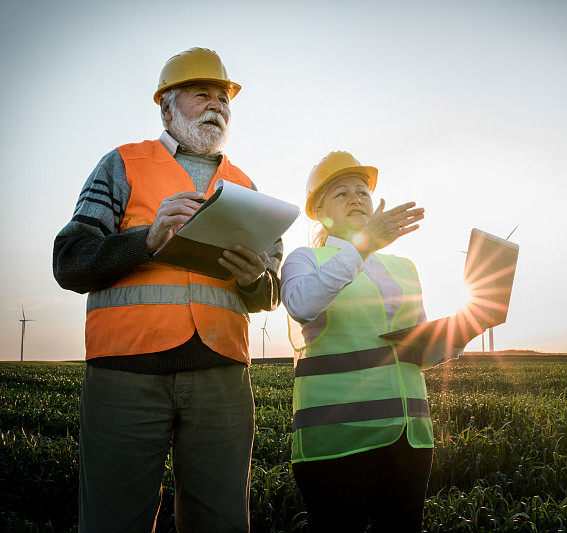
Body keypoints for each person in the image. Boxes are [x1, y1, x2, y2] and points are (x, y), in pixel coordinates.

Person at [52, 47, 282, 532]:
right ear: (166, 107)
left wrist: (254, 280)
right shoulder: (122, 164)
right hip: (125, 376)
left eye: (223, 97)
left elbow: (271, 293)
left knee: (221, 522)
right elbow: (70, 260)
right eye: (202, 95)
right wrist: (146, 239)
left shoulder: (247, 187)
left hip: (221, 378)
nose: (217, 105)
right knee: (115, 520)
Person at [280, 151, 485, 532]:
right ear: (320, 212)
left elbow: (420, 354)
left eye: (362, 191)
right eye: (341, 194)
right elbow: (302, 304)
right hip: (337, 439)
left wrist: (467, 328)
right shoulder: (304, 259)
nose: (357, 198)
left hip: (410, 438)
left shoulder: (404, 268)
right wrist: (362, 246)